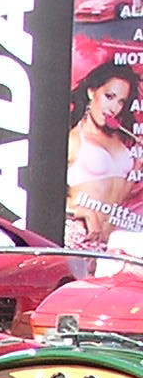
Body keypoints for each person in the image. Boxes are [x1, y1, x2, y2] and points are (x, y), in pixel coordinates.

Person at [66, 59, 139, 245]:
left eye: (121, 101)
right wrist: (80, 211)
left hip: (111, 243)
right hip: (80, 237)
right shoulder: (74, 140)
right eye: (109, 96)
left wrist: (137, 164)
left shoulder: (122, 141)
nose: (113, 108)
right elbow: (42, 193)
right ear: (92, 92)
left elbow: (119, 196)